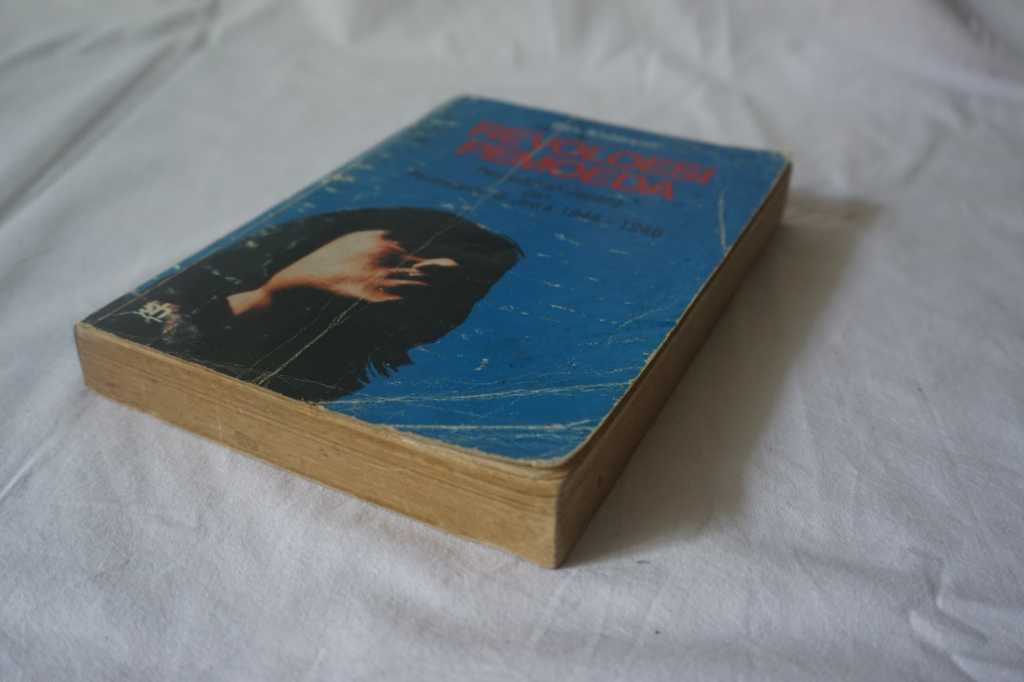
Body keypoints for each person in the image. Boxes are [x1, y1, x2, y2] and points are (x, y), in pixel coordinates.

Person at [89, 207, 522, 402]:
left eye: (463, 283)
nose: (444, 265)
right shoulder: (146, 313)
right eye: (417, 243)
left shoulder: (311, 396)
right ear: (328, 238)